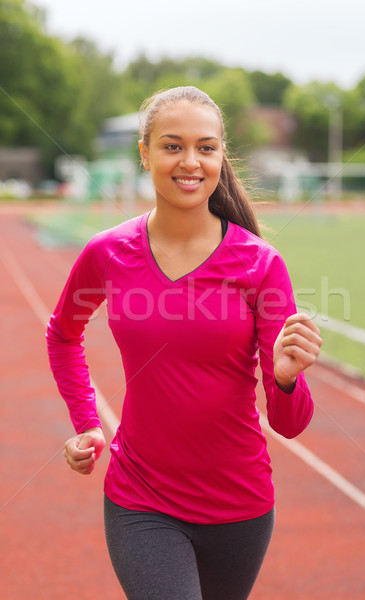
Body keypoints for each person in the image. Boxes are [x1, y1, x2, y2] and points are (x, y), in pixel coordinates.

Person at [46, 86, 322, 600]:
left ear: (220, 156)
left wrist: (286, 378)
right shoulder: (106, 254)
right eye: (172, 146)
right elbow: (63, 334)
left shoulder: (261, 265)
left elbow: (290, 421)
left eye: (206, 147)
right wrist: (87, 422)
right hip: (140, 499)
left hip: (240, 506)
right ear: (145, 153)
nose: (190, 161)